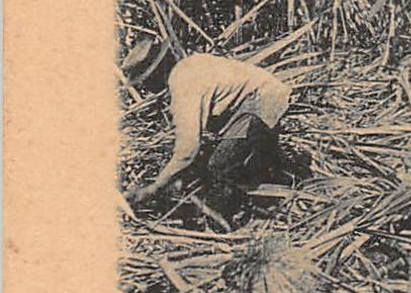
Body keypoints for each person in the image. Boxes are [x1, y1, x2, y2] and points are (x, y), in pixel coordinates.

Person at [123, 39, 302, 213]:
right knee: (246, 158)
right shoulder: (190, 64)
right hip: (268, 92)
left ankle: (223, 224)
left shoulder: (183, 85)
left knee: (220, 165)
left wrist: (155, 187)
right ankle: (282, 193)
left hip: (261, 101)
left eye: (145, 81)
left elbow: (187, 151)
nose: (147, 88)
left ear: (155, 74)